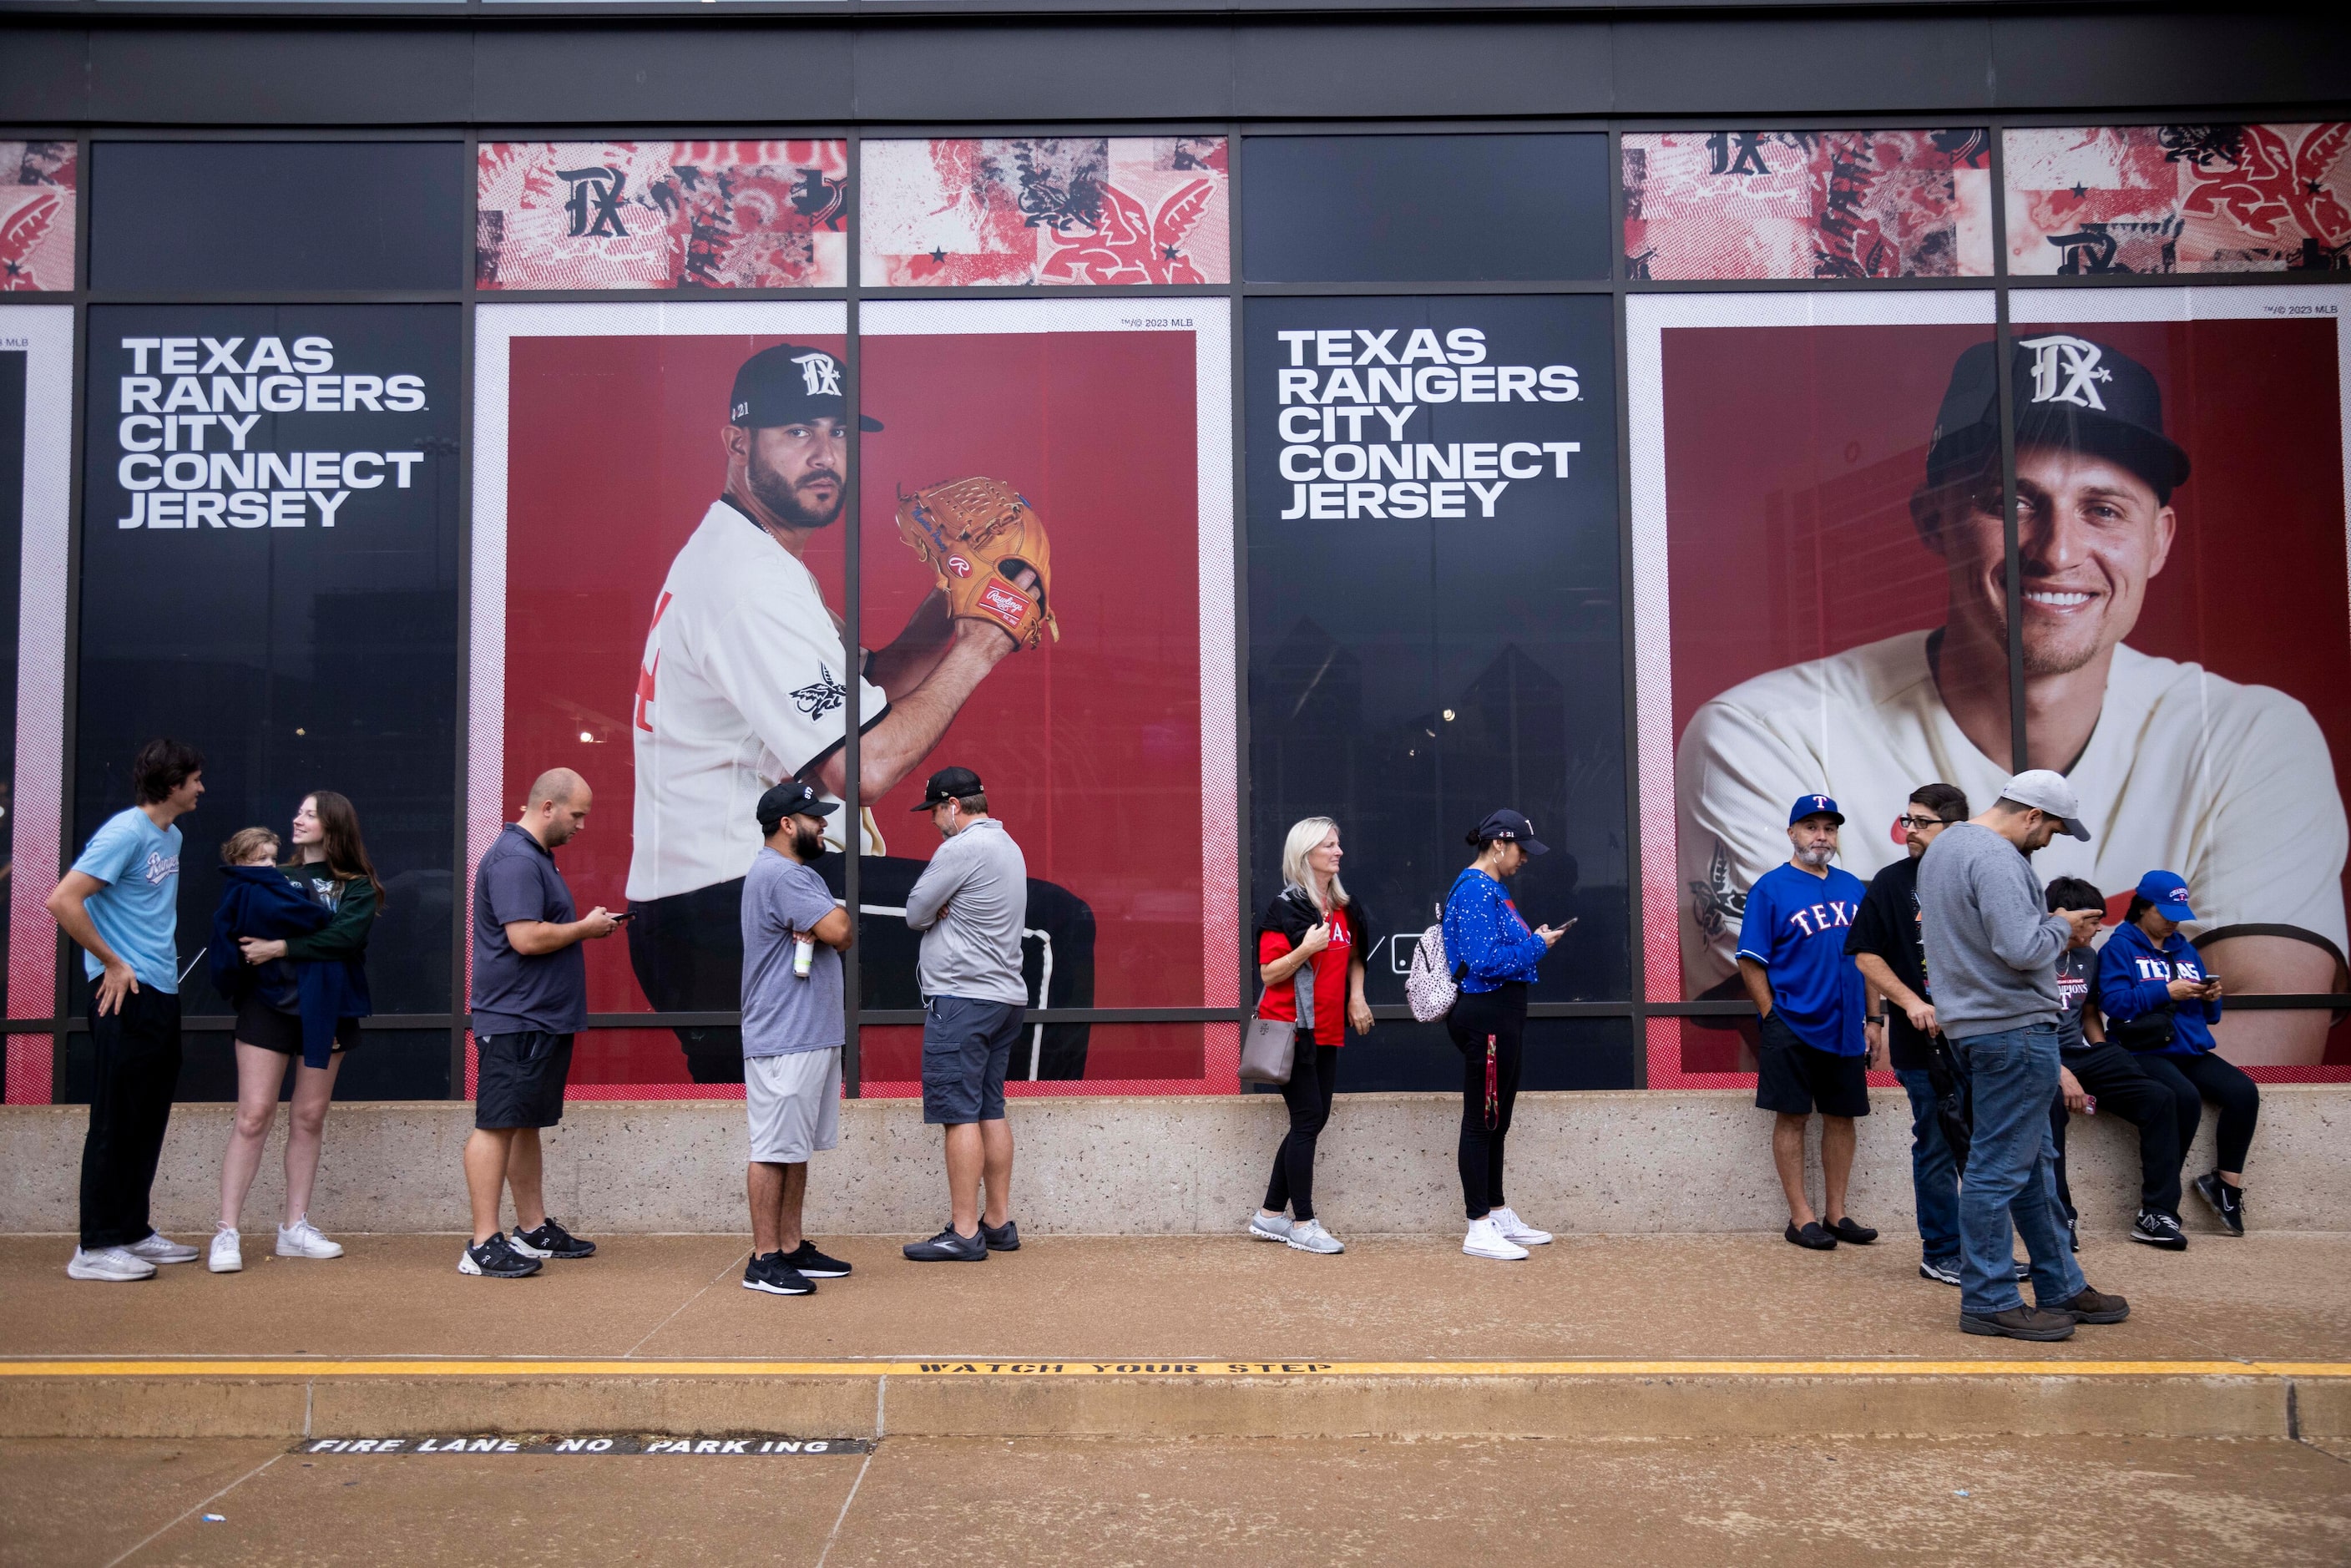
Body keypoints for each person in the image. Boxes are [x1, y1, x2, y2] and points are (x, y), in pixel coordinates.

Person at [1677, 335, 2344, 1064]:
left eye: (2105, 509)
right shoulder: (1767, 733)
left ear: (2159, 541)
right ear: (1933, 518)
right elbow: (1823, 1032)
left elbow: (2275, 1034)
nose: (2058, 551)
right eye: (2012, 500)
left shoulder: (2249, 736)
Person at [624, 342, 1092, 1083]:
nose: (824, 453)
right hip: (735, 909)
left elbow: (865, 682)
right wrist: (982, 641)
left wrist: (954, 603)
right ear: (736, 443)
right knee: (1045, 929)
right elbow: (863, 766)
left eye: (837, 432)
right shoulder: (748, 585)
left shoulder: (750, 558)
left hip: (714, 910)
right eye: (797, 431)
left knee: (789, 1129)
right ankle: (1032, 1173)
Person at [1917, 769, 2128, 1340]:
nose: (2049, 841)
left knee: (2031, 1166)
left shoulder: (1946, 848)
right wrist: (2062, 926)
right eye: (2054, 830)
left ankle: (2061, 1284)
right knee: (1998, 1170)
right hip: (2012, 1029)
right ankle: (1988, 1299)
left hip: (1978, 1028)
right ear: (2031, 815)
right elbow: (2020, 946)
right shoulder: (1998, 857)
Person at [48, 739, 206, 1282]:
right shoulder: (124, 832)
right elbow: (63, 900)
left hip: (160, 990)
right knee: (114, 1120)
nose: (201, 789)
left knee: (147, 1116)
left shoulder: (173, 835)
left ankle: (132, 1230)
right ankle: (93, 1247)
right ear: (171, 784)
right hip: (122, 994)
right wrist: (111, 963)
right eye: (194, 780)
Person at [207, 794, 382, 1272]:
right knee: (253, 1115)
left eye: (309, 814)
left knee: (308, 1117)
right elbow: (238, 931)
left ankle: (294, 1228)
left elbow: (345, 940)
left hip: (330, 1009)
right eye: (299, 812)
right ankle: (227, 1231)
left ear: (334, 824)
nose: (297, 820)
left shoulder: (359, 886)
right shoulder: (274, 875)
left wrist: (281, 946)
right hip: (269, 1006)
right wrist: (268, 950)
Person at [461, 768, 619, 1279]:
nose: (581, 826)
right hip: (515, 1017)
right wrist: (586, 929)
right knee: (498, 1123)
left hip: (534, 1018)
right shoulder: (514, 859)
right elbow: (525, 938)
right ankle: (482, 1242)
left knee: (521, 1122)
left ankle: (531, 1229)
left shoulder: (532, 858)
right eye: (577, 815)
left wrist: (583, 928)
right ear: (547, 807)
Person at [900, 767, 1029, 1262]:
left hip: (962, 999)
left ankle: (964, 1231)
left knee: (959, 1115)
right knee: (990, 1108)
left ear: (953, 805)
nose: (933, 822)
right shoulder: (1008, 847)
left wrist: (940, 906)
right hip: (1003, 998)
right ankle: (997, 1223)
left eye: (934, 811)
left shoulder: (961, 848)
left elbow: (914, 912)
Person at [1739, 795, 1878, 1252]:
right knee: (1793, 1116)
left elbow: (1870, 959)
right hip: (1793, 1023)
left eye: (1830, 828)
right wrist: (1770, 1014)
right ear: (1792, 834)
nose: (1821, 836)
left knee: (1842, 1117)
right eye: (1811, 827)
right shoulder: (1771, 888)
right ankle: (1801, 1218)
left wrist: (1873, 1018)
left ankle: (1836, 1214)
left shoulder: (1854, 888)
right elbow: (1751, 961)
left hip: (1846, 1026)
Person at [738, 781, 857, 1297]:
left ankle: (790, 1246)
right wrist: (828, 916)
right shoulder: (787, 875)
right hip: (786, 1036)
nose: (823, 824)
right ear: (788, 825)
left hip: (803, 1033)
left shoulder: (789, 875)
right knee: (772, 1148)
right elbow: (842, 930)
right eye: (814, 818)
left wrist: (826, 918)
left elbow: (834, 927)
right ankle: (765, 1259)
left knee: (794, 1146)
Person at [2098, 869, 2259, 1238]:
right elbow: (2115, 1004)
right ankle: (2158, 1207)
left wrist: (2210, 999)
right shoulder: (2119, 947)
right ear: (2143, 907)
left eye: (2178, 914)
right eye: (2165, 912)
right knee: (2181, 1097)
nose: (2173, 922)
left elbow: (2207, 1018)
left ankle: (2225, 1187)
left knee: (2242, 1092)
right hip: (2143, 1049)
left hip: (2189, 1048)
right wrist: (2165, 993)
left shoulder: (2185, 948)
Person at [1848, 782, 1965, 1280]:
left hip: (1982, 1038)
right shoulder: (1891, 882)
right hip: (1924, 1048)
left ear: (1953, 827)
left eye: (1921, 823)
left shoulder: (1975, 871)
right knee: (1936, 1143)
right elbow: (1864, 954)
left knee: (1988, 1150)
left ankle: (1987, 1251)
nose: (1909, 831)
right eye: (1907, 820)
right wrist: (1911, 1002)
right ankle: (1941, 1253)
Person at [1443, 809, 1567, 1262]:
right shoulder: (1476, 889)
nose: (1525, 860)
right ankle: (1478, 1226)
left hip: (1501, 1013)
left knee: (1497, 1119)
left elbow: (1496, 953)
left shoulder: (1490, 889)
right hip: (1487, 1014)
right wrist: (1538, 945)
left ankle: (1495, 1211)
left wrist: (1531, 941)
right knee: (1481, 1120)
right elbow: (1484, 961)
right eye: (1521, 850)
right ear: (1499, 844)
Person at [1248, 817, 1375, 1256]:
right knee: (1307, 1119)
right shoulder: (1285, 908)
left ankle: (1268, 1215)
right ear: (1306, 855)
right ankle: (1302, 1221)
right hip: (1291, 1030)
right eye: (1328, 846)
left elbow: (1357, 955)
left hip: (1327, 1028)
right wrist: (1304, 949)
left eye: (1338, 844)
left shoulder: (1344, 907)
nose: (1338, 852)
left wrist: (1356, 997)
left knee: (1313, 1119)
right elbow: (1268, 972)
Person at [2042, 876, 2188, 1252]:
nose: (2098, 929)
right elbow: (2019, 1026)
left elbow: (2089, 1013)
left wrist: (2104, 1054)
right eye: (2091, 921)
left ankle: (2156, 1214)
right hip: (2036, 1055)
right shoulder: (2032, 956)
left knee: (2160, 1098)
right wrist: (2063, 1074)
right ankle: (2061, 1215)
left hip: (2078, 1053)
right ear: (2066, 918)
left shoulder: (2088, 956)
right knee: (2051, 1106)